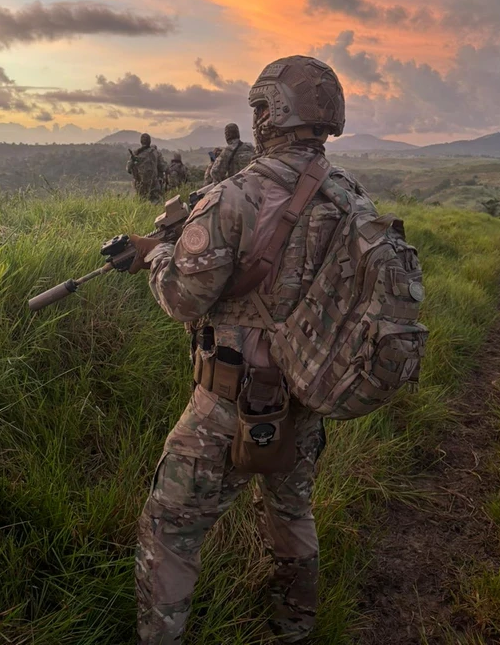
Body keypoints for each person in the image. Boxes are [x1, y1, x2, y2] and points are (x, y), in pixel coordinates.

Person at [128, 56, 353, 644]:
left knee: (170, 526)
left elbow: (181, 299)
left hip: (229, 401)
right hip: (307, 392)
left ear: (271, 114)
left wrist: (152, 256)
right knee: (292, 511)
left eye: (258, 108)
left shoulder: (235, 195)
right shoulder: (351, 197)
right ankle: (295, 627)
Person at [127, 133, 167, 203]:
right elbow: (164, 167)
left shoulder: (136, 154)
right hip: (154, 185)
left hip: (140, 186)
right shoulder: (155, 153)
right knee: (157, 204)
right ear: (150, 142)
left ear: (141, 142)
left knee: (142, 204)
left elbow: (128, 169)